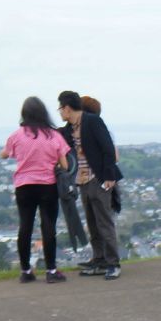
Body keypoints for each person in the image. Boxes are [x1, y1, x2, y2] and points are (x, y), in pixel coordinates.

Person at [1, 96, 71, 283]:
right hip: (47, 185)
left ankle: (25, 271)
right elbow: (64, 165)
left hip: (24, 186)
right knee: (48, 226)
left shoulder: (17, 135)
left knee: (25, 226)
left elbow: (4, 155)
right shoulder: (53, 135)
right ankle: (51, 270)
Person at [57, 91, 124, 279]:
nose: (60, 112)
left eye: (61, 108)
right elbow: (55, 135)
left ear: (67, 108)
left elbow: (108, 149)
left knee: (104, 222)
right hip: (82, 181)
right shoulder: (69, 128)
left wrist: (109, 175)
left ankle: (113, 263)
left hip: (99, 178)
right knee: (93, 224)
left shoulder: (92, 121)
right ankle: (99, 259)